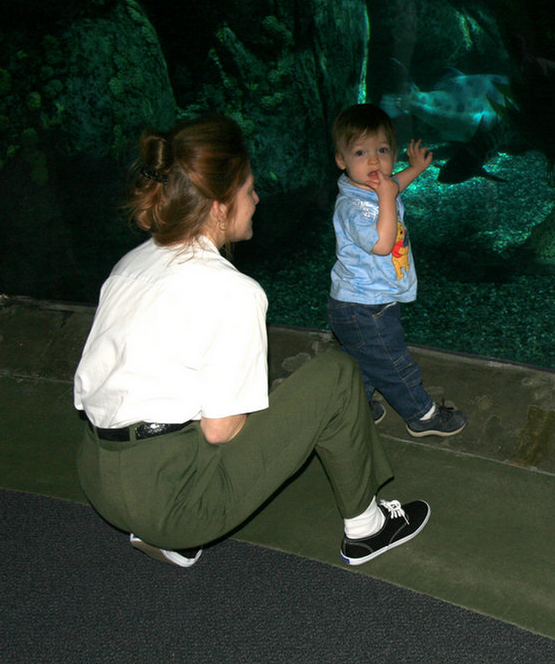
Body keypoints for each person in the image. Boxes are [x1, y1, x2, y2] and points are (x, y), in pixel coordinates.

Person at [74, 114, 429, 568]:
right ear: (220, 206)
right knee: (336, 375)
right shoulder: (233, 292)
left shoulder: (131, 264)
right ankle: (368, 528)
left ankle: (169, 539)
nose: (257, 199)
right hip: (172, 503)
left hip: (100, 480)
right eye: (248, 190)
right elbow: (221, 430)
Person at [327, 103, 467, 437]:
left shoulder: (374, 188)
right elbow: (381, 244)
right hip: (363, 308)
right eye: (361, 152)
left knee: (365, 363)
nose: (374, 160)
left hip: (368, 303)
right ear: (341, 161)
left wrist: (415, 169)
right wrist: (388, 196)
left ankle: (353, 410)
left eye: (383, 150)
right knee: (393, 364)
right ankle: (422, 415)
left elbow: (394, 185)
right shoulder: (352, 206)